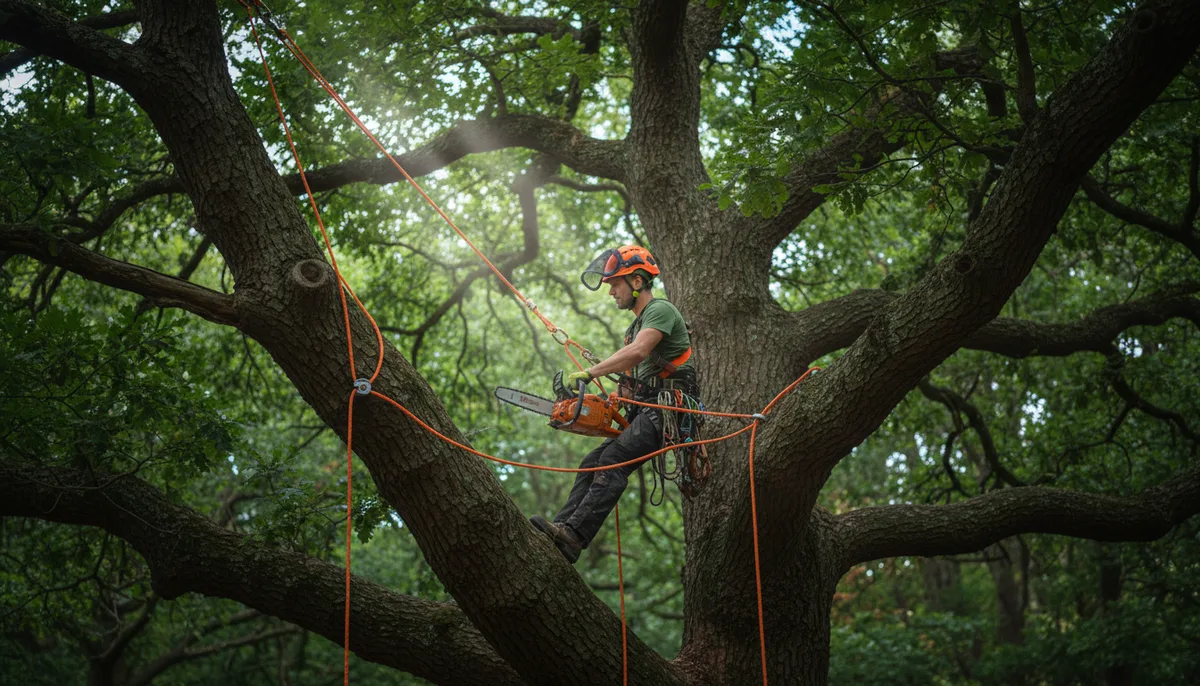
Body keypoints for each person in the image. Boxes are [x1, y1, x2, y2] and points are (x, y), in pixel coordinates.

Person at [529, 246, 699, 563]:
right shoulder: (632, 328)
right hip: (644, 409)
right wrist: (614, 398)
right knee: (592, 462)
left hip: (667, 408)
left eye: (614, 284)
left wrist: (591, 372)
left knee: (613, 458)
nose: (611, 292)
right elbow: (631, 375)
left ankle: (576, 535)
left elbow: (638, 352)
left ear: (636, 281)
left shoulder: (660, 311)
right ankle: (564, 531)